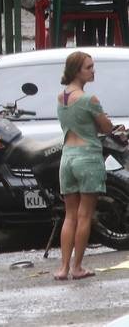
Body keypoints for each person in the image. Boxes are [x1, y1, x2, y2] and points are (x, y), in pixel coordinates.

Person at [55, 51, 114, 281]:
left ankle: (62, 268)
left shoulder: (61, 97)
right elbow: (106, 128)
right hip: (87, 157)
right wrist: (104, 121)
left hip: (67, 158)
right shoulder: (89, 100)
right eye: (88, 67)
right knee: (85, 215)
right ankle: (77, 267)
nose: (93, 70)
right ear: (77, 71)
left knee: (70, 215)